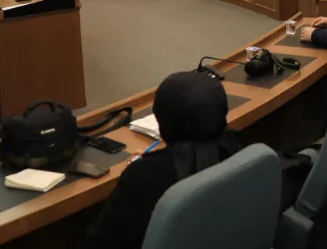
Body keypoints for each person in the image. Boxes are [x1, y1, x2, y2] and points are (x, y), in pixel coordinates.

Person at [82, 72, 242, 249]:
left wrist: (148, 165)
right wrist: (157, 158)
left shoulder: (143, 176)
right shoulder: (232, 145)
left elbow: (99, 243)